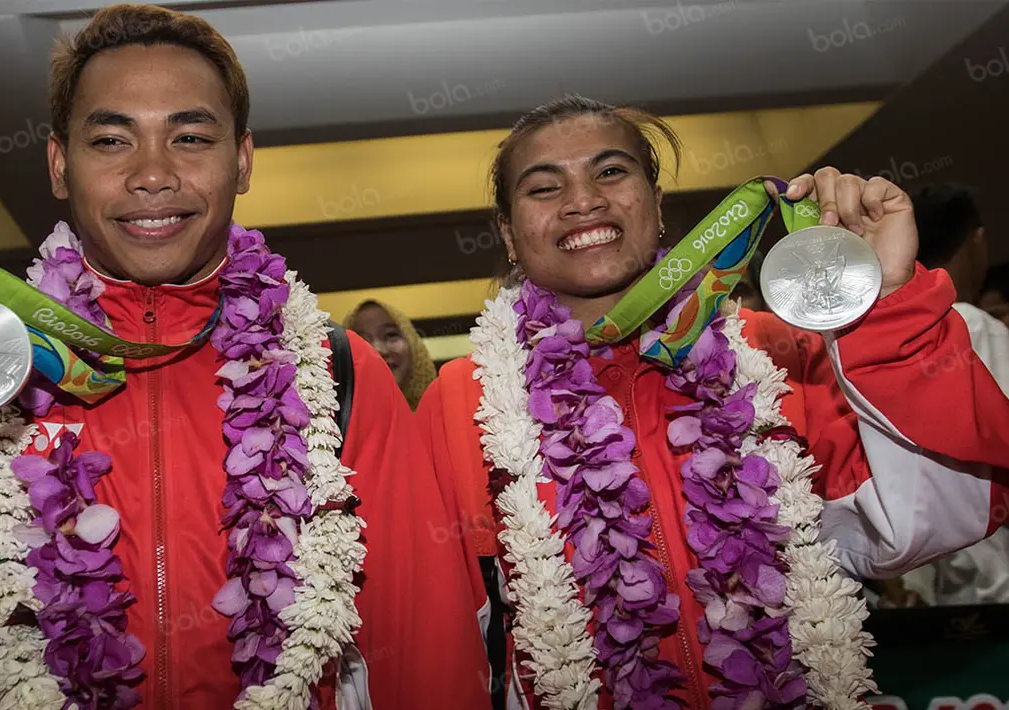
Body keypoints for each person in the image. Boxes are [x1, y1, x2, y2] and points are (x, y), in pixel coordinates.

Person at [0, 5, 490, 709]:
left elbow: (423, 639)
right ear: (59, 164)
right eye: (112, 141)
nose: (153, 174)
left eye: (189, 136)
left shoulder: (336, 370)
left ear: (241, 160)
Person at [416, 96, 1009, 709]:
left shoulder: (773, 350)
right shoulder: (465, 399)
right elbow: (444, 629)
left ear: (657, 204)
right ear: (510, 235)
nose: (584, 199)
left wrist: (882, 296)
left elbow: (933, 522)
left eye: (612, 172)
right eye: (544, 187)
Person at [890, 183, 1009, 607]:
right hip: (995, 585)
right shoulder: (977, 330)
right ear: (977, 241)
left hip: (928, 585)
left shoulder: (891, 338)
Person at [343, 300, 437, 410]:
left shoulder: (446, 414)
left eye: (390, 335)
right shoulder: (331, 423)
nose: (378, 350)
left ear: (413, 344)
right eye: (362, 341)